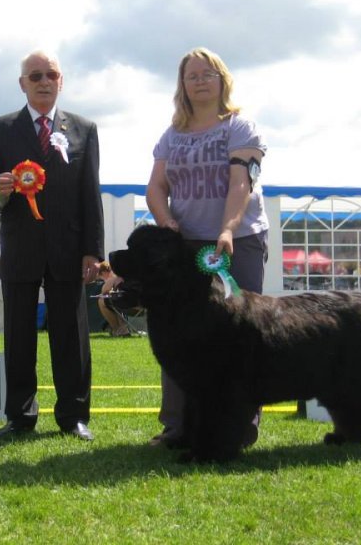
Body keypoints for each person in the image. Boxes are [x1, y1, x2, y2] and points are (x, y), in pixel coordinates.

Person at [0, 50, 104, 441]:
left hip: (68, 249)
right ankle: (19, 416)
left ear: (61, 80)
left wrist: (93, 251)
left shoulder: (84, 128)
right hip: (20, 248)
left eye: (51, 74)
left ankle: (74, 416)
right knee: (18, 335)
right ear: (22, 84)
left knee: (72, 335)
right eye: (35, 76)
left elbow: (90, 195)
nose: (44, 81)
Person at [145, 47, 269, 449]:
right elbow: (156, 188)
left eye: (207, 74)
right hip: (187, 247)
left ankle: (239, 427)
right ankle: (178, 427)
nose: (199, 81)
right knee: (179, 338)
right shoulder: (171, 134)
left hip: (238, 242)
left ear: (222, 80)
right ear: (182, 85)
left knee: (241, 337)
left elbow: (240, 183)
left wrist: (228, 229)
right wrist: (166, 224)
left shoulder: (241, 127)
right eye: (191, 75)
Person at [96, 261, 130, 337]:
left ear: (104, 272)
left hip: (127, 304)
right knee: (117, 305)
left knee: (102, 301)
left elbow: (104, 291)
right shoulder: (131, 275)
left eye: (101, 275)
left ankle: (117, 329)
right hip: (140, 305)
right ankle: (123, 330)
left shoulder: (114, 278)